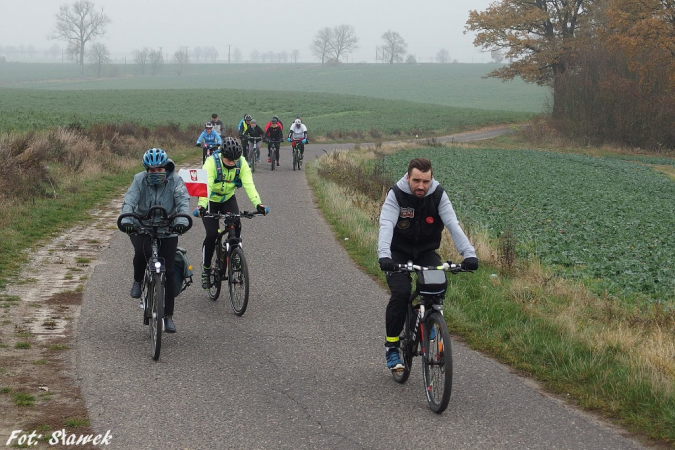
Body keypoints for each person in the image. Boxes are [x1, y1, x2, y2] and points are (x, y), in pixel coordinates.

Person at [377, 157, 479, 370]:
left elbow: (452, 224)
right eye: (416, 181)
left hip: (425, 251)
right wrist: (384, 257)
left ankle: (426, 319)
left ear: (431, 179)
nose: (421, 186)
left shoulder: (439, 195)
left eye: (426, 181)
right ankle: (392, 347)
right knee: (401, 293)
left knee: (437, 287)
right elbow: (386, 225)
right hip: (397, 253)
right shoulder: (396, 194)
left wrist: (469, 254)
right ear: (408, 177)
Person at [119, 148, 191, 333]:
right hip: (142, 225)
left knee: (167, 272)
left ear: (165, 167)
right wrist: (127, 220)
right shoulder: (138, 180)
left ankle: (168, 317)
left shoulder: (175, 180)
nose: (156, 173)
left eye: (159, 169)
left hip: (168, 227)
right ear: (146, 170)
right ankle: (137, 281)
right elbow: (129, 201)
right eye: (151, 170)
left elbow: (183, 201)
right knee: (142, 252)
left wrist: (181, 222)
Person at [194, 137, 269, 289]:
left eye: (234, 160)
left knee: (236, 224)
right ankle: (206, 269)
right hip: (210, 200)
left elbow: (249, 185)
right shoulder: (211, 163)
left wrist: (258, 204)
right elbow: (206, 185)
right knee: (212, 234)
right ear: (222, 155)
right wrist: (201, 206)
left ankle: (235, 253)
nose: (231, 163)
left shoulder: (241, 163)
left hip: (228, 198)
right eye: (228, 160)